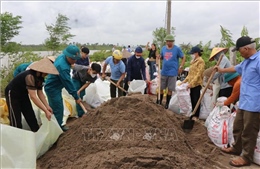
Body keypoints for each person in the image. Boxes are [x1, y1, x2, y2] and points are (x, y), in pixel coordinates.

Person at [215, 36, 260, 167]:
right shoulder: (246, 61)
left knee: (249, 131)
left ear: (246, 48)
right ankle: (236, 148)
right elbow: (235, 68)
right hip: (244, 101)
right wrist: (221, 70)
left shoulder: (258, 61)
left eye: (239, 50)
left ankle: (246, 157)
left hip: (255, 103)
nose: (239, 53)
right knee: (238, 127)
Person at [5, 58, 59, 132]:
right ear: (41, 70)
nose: (47, 74)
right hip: (12, 94)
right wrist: (45, 111)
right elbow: (33, 97)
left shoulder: (41, 78)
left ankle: (36, 133)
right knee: (16, 119)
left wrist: (47, 106)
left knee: (30, 115)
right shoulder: (29, 76)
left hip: (23, 94)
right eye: (47, 72)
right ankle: (16, 137)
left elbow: (40, 93)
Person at [44, 45, 82, 131]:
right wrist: (76, 97)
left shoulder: (62, 56)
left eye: (76, 59)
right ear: (68, 56)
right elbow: (68, 83)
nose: (75, 61)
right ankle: (56, 129)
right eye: (73, 59)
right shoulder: (63, 67)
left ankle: (56, 126)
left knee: (57, 107)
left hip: (56, 87)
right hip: (52, 88)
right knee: (58, 108)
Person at [156, 34, 186, 109]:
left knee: (170, 89)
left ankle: (167, 104)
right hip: (164, 71)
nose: (168, 43)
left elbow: (183, 57)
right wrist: (159, 57)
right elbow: (162, 57)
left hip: (173, 71)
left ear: (172, 42)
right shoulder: (163, 48)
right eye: (167, 41)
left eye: (170, 41)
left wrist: (181, 66)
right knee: (161, 87)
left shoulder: (177, 49)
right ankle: (159, 101)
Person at [181, 46, 205, 121]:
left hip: (197, 83)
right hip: (191, 83)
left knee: (196, 99)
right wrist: (184, 81)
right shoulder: (193, 61)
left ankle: (196, 115)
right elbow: (190, 74)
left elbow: (198, 74)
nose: (191, 54)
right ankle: (193, 113)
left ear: (197, 53)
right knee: (192, 99)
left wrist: (191, 83)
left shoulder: (200, 61)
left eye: (192, 53)